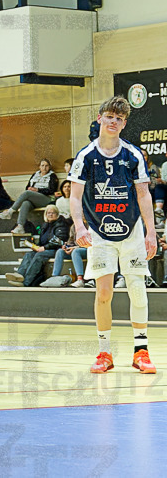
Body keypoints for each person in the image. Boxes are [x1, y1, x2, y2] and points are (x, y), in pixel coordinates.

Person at [69, 96, 157, 375]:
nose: (114, 122)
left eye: (119, 118)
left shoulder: (132, 155)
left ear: (124, 123)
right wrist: (80, 226)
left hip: (131, 230)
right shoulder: (86, 156)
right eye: (109, 116)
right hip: (100, 232)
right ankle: (104, 352)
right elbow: (74, 196)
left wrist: (151, 233)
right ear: (100, 118)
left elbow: (144, 195)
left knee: (138, 290)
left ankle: (141, 352)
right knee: (104, 291)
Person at [4, 205, 71, 286]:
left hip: (56, 249)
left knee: (39, 256)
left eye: (53, 213)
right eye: (48, 213)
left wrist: (44, 248)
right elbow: (42, 241)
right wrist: (35, 246)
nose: (50, 215)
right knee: (29, 254)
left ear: (57, 214)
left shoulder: (61, 225)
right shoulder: (45, 225)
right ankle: (19, 275)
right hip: (45, 248)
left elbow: (59, 240)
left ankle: (26, 282)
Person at [0, 158, 59, 233]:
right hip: (34, 198)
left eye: (46, 166)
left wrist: (38, 190)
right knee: (25, 203)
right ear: (39, 167)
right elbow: (27, 187)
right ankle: (20, 226)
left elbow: (52, 190)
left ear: (49, 167)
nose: (44, 168)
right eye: (42, 165)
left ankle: (10, 211)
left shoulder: (52, 176)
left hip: (46, 199)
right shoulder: (35, 175)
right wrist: (30, 188)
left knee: (27, 193)